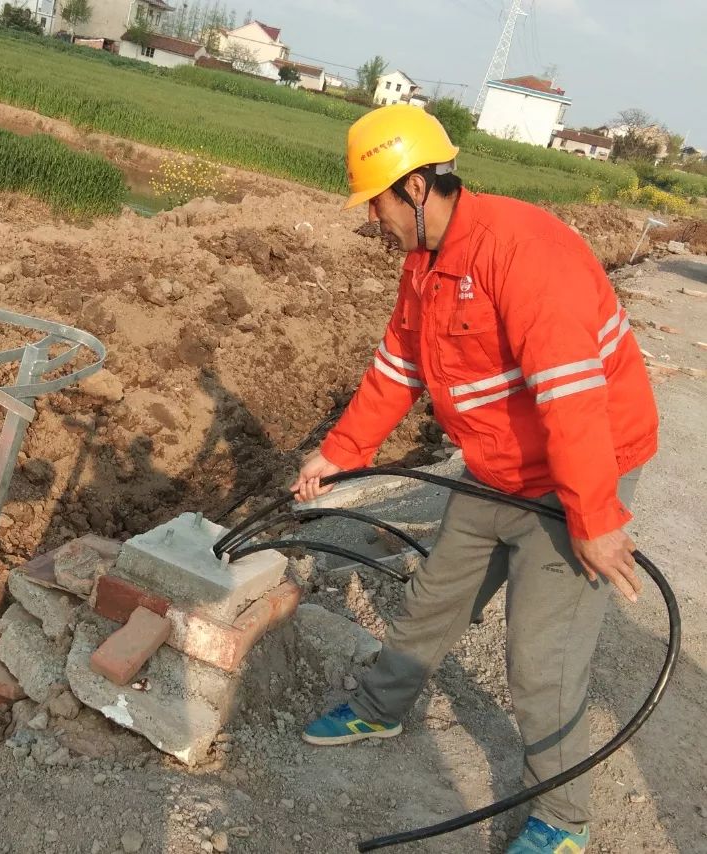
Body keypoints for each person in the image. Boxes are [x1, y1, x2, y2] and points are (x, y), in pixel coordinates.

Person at [291, 105, 657, 854]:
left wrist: (593, 516)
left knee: (540, 654)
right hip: (498, 466)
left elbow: (572, 395)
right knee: (437, 594)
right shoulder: (424, 264)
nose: (373, 220)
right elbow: (399, 366)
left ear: (417, 186)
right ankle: (379, 706)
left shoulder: (523, 253)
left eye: (378, 203)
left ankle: (562, 820)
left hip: (578, 467)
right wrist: (342, 451)